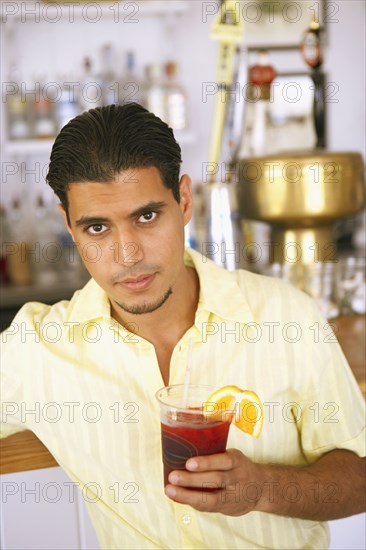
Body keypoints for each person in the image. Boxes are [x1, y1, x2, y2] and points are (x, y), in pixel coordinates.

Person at [1, 103, 365, 550]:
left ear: (185, 201)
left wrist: (262, 488)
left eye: (147, 216)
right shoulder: (38, 349)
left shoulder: (286, 318)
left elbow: (360, 476)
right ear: (68, 227)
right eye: (97, 227)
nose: (128, 254)